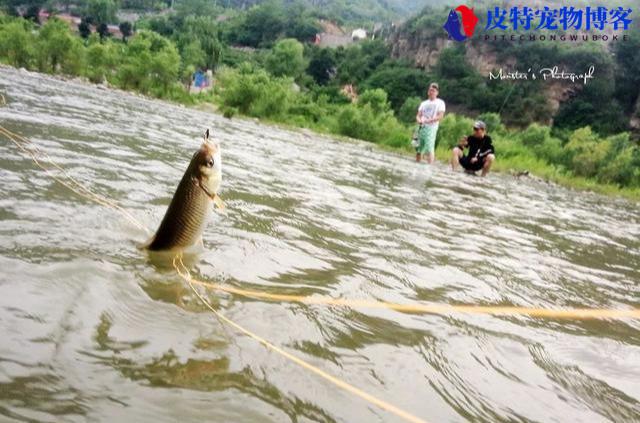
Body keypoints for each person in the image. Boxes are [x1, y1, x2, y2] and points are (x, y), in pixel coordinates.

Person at [414, 82, 446, 164]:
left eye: (434, 90)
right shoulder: (423, 103)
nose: (432, 92)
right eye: (431, 90)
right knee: (418, 148)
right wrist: (419, 120)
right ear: (428, 91)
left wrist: (430, 120)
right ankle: (417, 164)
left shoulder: (440, 102)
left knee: (429, 148)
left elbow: (440, 116)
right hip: (421, 127)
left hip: (432, 127)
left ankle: (430, 166)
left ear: (437, 93)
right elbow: (418, 115)